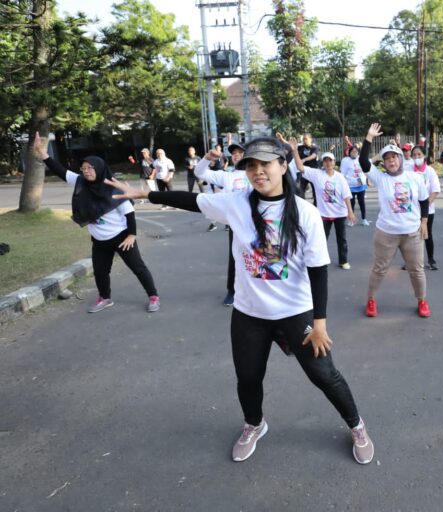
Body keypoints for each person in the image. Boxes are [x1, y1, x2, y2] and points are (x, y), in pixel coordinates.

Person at [105, 136, 375, 465]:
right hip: (250, 314)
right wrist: (145, 194)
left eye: (265, 164)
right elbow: (192, 200)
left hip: (296, 311)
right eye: (251, 165)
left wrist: (320, 324)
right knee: (248, 377)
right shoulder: (236, 203)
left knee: (323, 374)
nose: (258, 171)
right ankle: (254, 424)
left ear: (283, 166)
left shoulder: (305, 213)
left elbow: (318, 271)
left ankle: (356, 425)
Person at [33, 133, 160, 314]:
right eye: (83, 168)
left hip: (122, 237)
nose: (86, 171)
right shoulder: (81, 182)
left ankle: (153, 296)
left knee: (138, 268)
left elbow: (129, 213)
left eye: (90, 168)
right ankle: (105, 298)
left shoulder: (113, 186)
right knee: (100, 271)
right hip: (99, 239)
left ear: (99, 168)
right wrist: (42, 153)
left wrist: (132, 235)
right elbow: (60, 171)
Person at [359, 123, 431, 318]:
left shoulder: (414, 178)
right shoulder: (381, 178)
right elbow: (364, 162)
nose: (391, 161)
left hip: (412, 233)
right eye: (387, 158)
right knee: (379, 269)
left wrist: (424, 222)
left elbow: (424, 200)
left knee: (417, 270)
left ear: (400, 158)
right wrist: (369, 137)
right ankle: (371, 300)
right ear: (384, 163)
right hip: (386, 233)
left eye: (394, 157)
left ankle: (422, 300)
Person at [194, 141, 251, 306]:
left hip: (256, 224)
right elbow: (200, 173)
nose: (236, 155)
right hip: (236, 224)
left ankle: (257, 289)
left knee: (259, 257)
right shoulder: (227, 176)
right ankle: (232, 291)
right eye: (234, 153)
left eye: (240, 152)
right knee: (235, 257)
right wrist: (207, 158)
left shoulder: (255, 174)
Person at [292, 149, 356, 270]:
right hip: (323, 214)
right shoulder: (317, 174)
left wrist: (350, 212)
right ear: (323, 163)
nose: (328, 163)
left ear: (334, 162)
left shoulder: (340, 177)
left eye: (330, 160)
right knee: (321, 239)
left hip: (339, 213)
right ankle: (320, 261)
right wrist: (295, 151)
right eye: (325, 161)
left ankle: (343, 260)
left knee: (341, 239)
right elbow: (300, 167)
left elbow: (346, 195)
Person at [411, 145, 441, 270]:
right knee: (411, 236)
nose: (417, 157)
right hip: (411, 210)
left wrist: (425, 206)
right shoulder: (408, 170)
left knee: (427, 233)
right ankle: (411, 261)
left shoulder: (430, 171)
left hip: (427, 209)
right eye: (414, 155)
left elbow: (435, 190)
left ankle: (431, 259)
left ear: (424, 156)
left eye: (419, 154)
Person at [340, 145, 370, 227]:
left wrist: (367, 180)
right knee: (351, 204)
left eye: (356, 152)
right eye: (352, 151)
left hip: (361, 185)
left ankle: (364, 219)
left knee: (362, 202)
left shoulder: (361, 159)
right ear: (349, 152)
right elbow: (342, 173)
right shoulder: (345, 160)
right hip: (350, 186)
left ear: (358, 152)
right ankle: (351, 220)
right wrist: (342, 184)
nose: (354, 153)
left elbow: (366, 169)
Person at [297, 133, 318, 201]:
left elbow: (313, 156)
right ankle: (301, 205)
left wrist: (304, 159)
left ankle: (316, 205)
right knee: (301, 192)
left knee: (315, 192)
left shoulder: (314, 148)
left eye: (306, 139)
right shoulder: (300, 147)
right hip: (304, 171)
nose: (304, 140)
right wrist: (282, 139)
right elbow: (290, 146)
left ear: (310, 139)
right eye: (303, 139)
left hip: (313, 172)